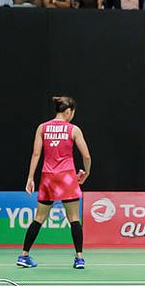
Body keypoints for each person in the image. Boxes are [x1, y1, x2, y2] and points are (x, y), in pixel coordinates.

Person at [18, 96, 91, 269]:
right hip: (67, 177)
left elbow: (36, 154)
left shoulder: (42, 128)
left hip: (48, 177)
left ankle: (24, 255)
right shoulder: (73, 129)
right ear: (68, 111)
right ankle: (79, 258)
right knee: (74, 218)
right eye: (73, 112)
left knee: (39, 218)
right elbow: (86, 156)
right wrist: (86, 173)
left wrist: (30, 178)